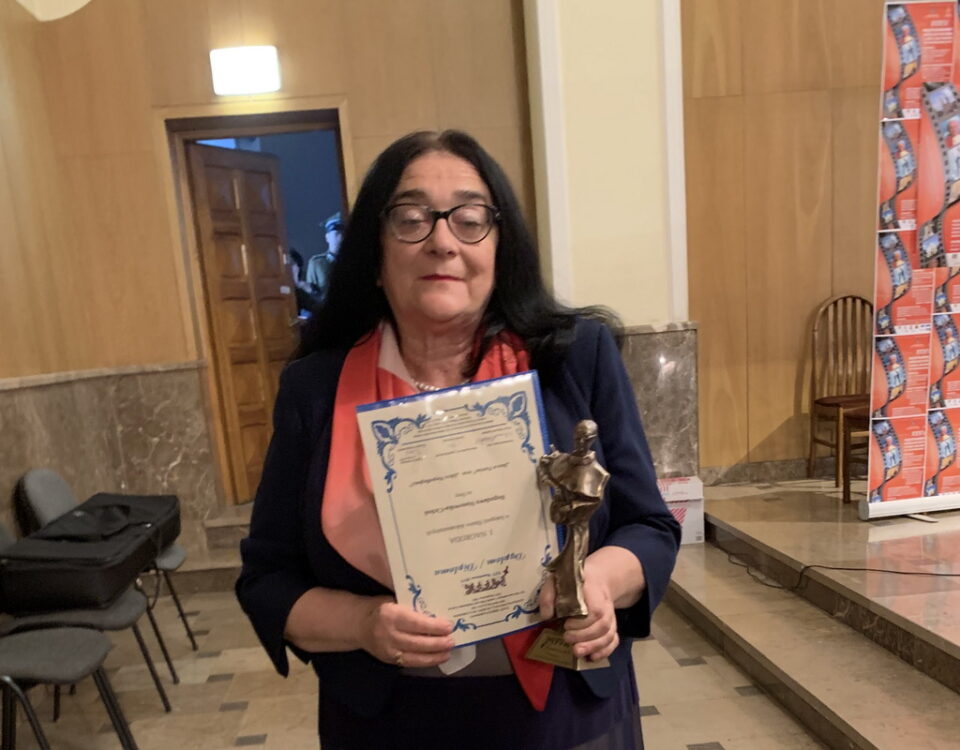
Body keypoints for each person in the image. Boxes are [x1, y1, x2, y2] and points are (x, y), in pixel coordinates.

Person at [236, 130, 681, 749]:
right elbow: (268, 579)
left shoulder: (576, 359)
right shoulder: (316, 390)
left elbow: (649, 526)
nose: (442, 241)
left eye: (470, 220)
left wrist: (600, 582)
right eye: (411, 219)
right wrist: (363, 623)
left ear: (500, 246)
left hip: (564, 712)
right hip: (388, 722)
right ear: (374, 251)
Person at [305, 212, 345, 298]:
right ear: (327, 237)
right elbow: (311, 295)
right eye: (336, 234)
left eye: (343, 234)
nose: (340, 238)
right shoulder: (316, 263)